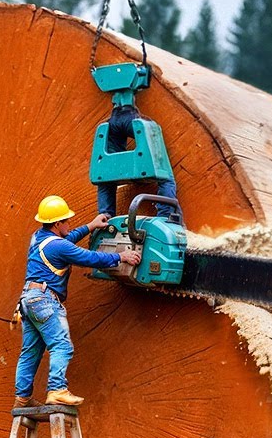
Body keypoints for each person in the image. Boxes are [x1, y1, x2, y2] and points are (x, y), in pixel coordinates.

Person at [14, 195, 141, 407]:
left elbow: (66, 239)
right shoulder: (58, 247)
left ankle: (22, 398)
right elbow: (88, 258)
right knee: (62, 345)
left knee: (30, 352)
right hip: (45, 300)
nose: (69, 223)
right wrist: (121, 257)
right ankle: (57, 390)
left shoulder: (37, 237)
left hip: (28, 300)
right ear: (57, 224)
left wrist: (90, 226)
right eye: (66, 221)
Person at [94, 102, 179, 223]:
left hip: (112, 121)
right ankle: (165, 218)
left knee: (105, 177)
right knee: (165, 176)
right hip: (131, 116)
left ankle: (105, 218)